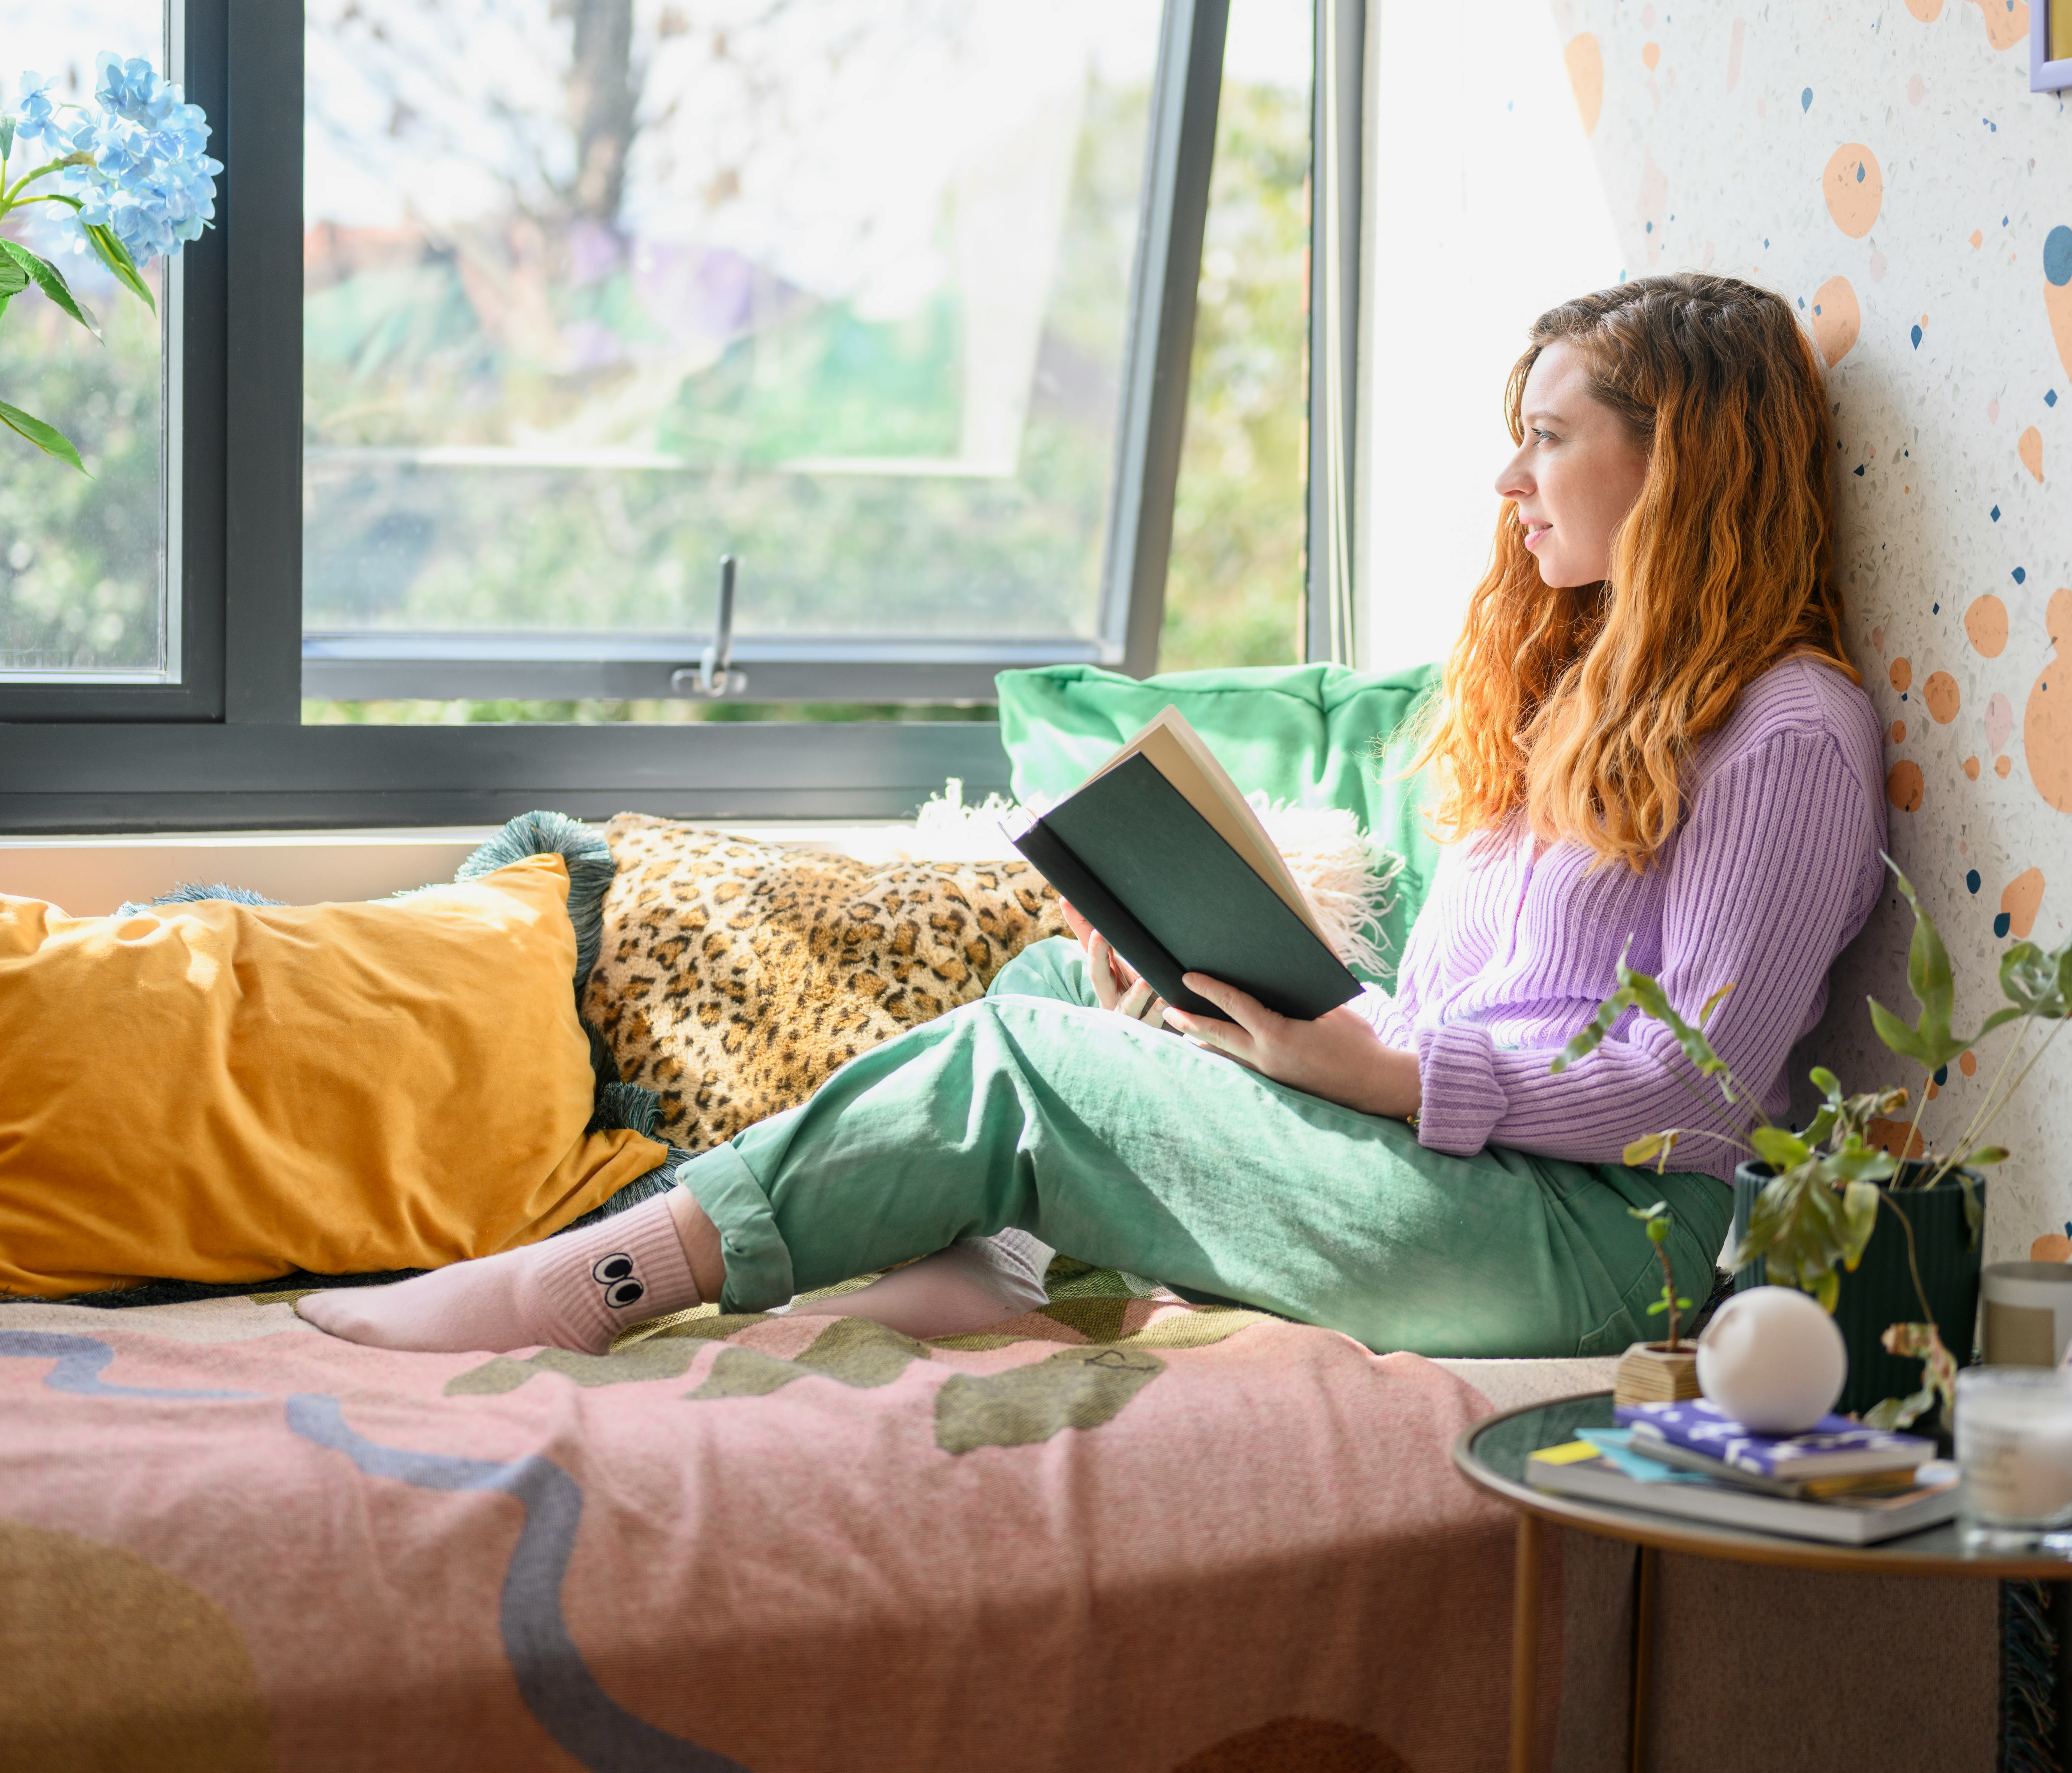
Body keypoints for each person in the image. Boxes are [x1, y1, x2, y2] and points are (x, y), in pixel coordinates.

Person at [300, 273, 1885, 1361]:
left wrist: (1377, 1067)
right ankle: (980, 1265)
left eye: (1547, 436)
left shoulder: (1790, 728)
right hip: (1466, 1163)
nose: (1507, 478)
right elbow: (1490, 1017)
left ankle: (603, 1276)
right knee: (1073, 991)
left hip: (1606, 1245)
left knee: (1026, 1063)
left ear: (1679, 457)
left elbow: (1688, 1088)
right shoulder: (1570, 701)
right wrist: (1247, 1001)